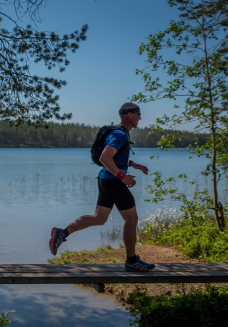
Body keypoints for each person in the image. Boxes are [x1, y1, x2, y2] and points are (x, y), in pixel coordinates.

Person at [49, 103, 155, 272]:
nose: (140, 117)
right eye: (138, 114)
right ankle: (131, 261)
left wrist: (133, 165)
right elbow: (106, 157)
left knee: (99, 218)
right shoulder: (120, 134)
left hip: (105, 179)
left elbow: (114, 157)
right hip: (113, 181)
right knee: (131, 219)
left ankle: (63, 233)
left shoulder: (117, 132)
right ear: (129, 115)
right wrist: (123, 176)